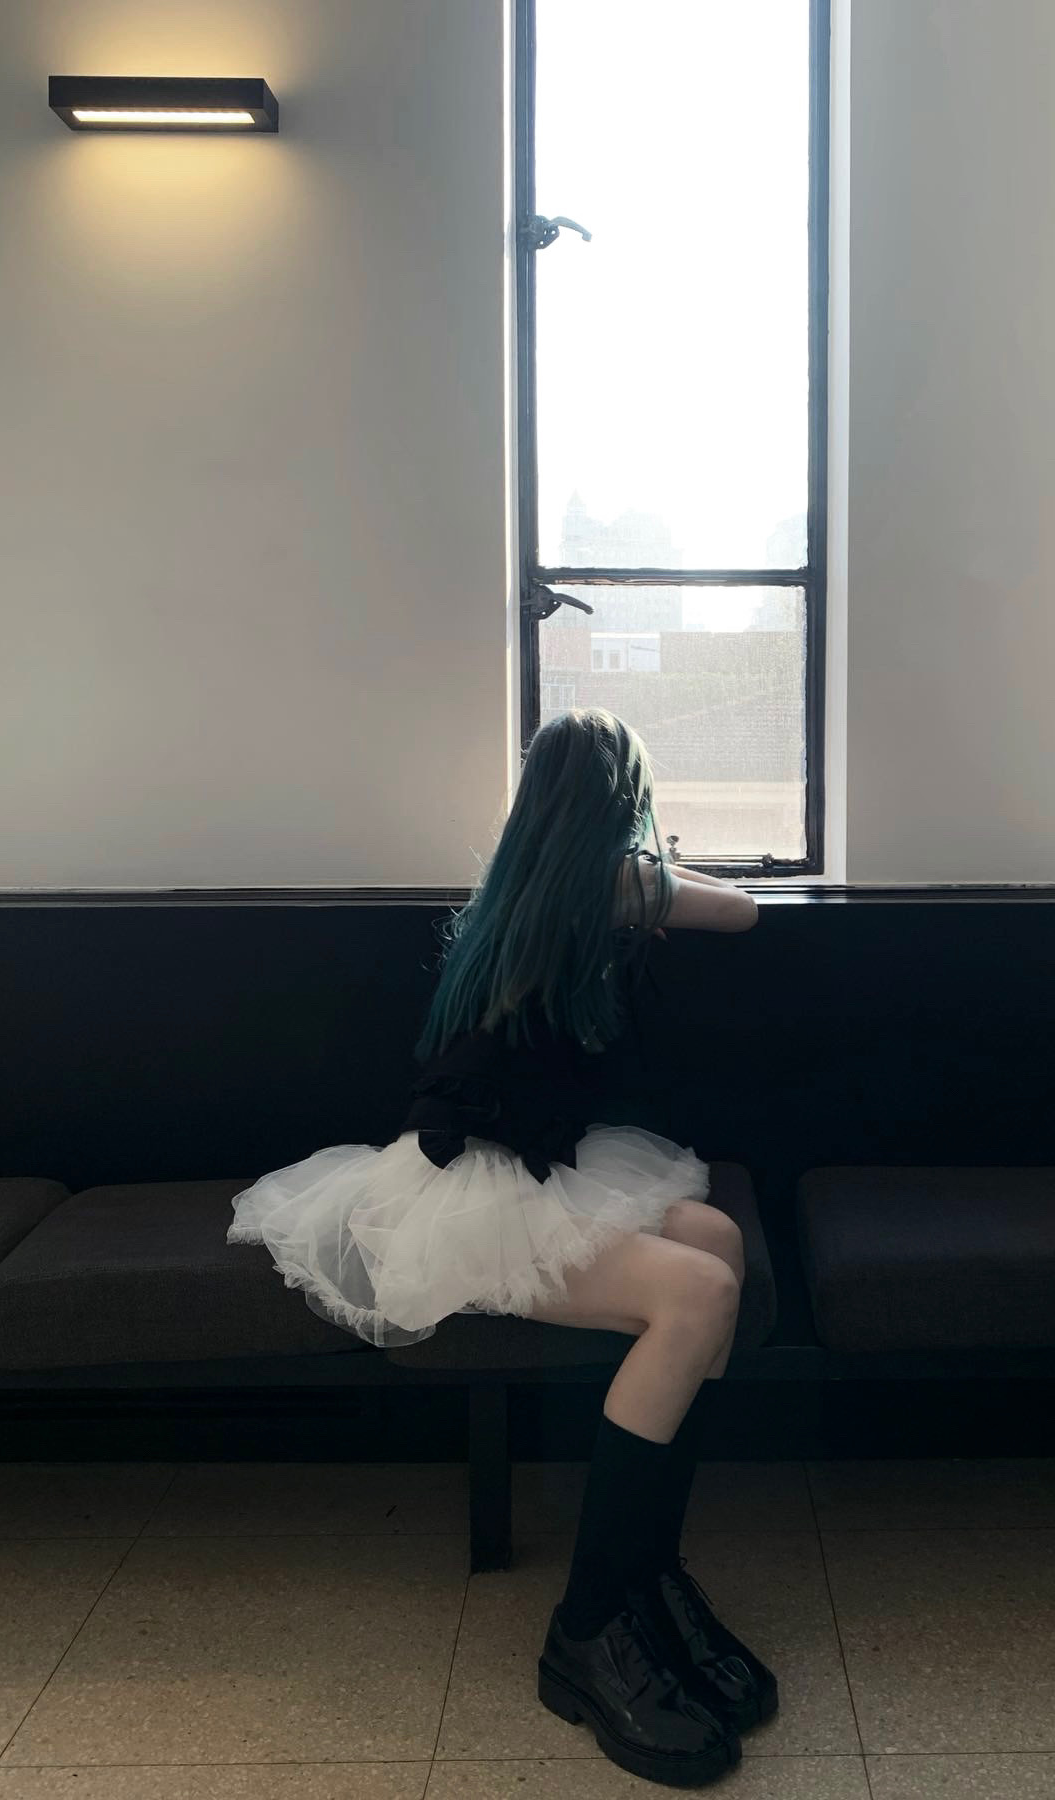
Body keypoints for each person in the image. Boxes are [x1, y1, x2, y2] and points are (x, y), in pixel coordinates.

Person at [228, 707, 775, 1788]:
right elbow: (746, 912)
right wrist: (662, 866)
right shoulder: (613, 885)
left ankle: (649, 1573)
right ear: (619, 803)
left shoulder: (519, 886)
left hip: (525, 1166)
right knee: (698, 1294)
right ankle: (587, 1625)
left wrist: (648, 869)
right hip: (478, 1198)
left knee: (716, 1237)